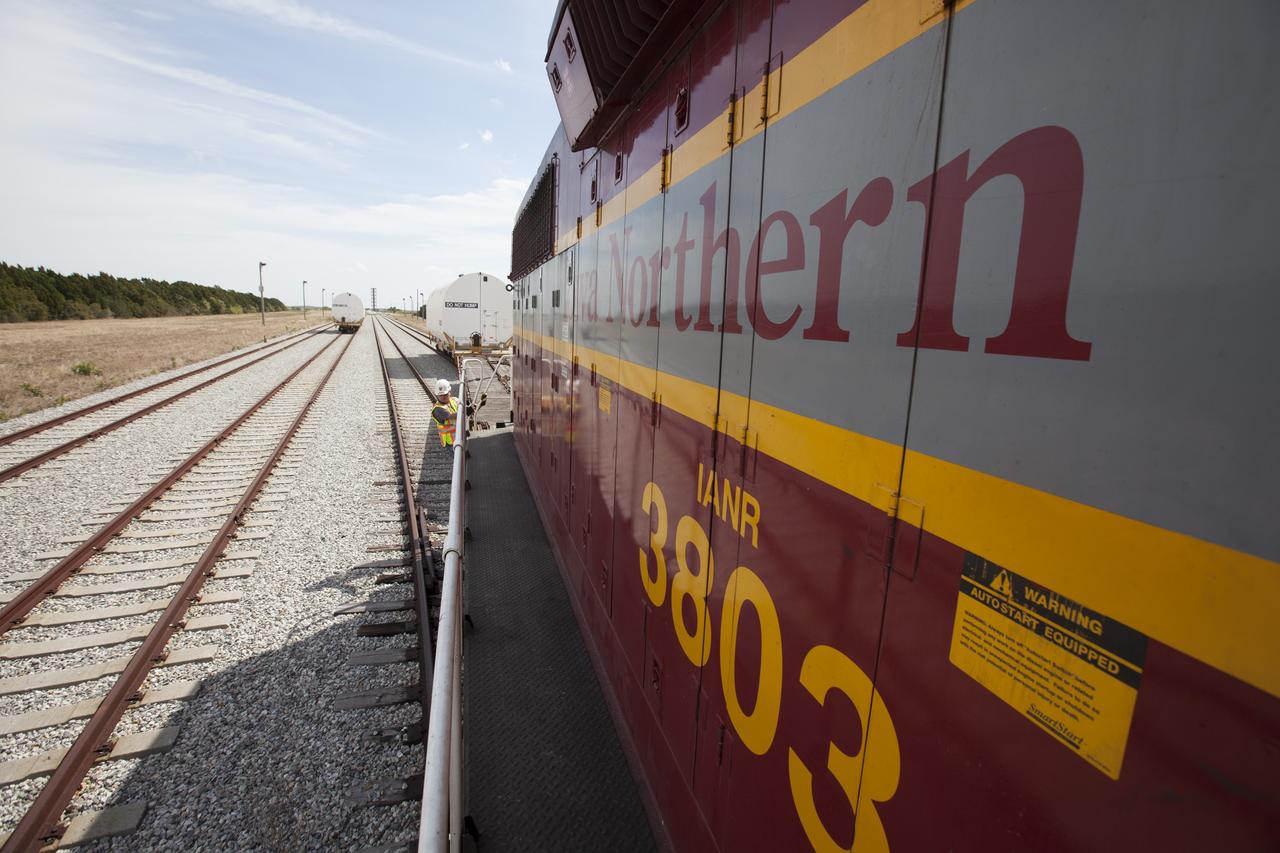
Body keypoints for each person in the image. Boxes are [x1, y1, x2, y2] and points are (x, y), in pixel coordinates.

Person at [432, 378, 460, 449]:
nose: (443, 397)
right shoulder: (438, 409)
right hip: (451, 442)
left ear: (449, 392)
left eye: (445, 394)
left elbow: (461, 406)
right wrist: (464, 410)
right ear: (437, 395)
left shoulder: (454, 400)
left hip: (459, 436)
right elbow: (451, 416)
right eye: (440, 395)